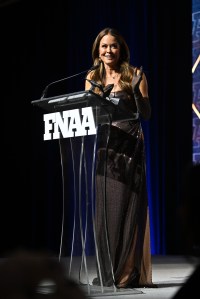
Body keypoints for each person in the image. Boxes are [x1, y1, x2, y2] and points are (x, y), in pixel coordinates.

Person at [85, 27, 154, 288]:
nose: (108, 50)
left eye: (113, 46)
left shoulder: (134, 74)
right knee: (106, 212)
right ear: (97, 50)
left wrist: (136, 91)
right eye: (104, 46)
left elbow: (145, 114)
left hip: (130, 148)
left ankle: (125, 273)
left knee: (128, 208)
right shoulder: (92, 77)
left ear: (120, 48)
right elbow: (90, 116)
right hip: (106, 149)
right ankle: (107, 272)